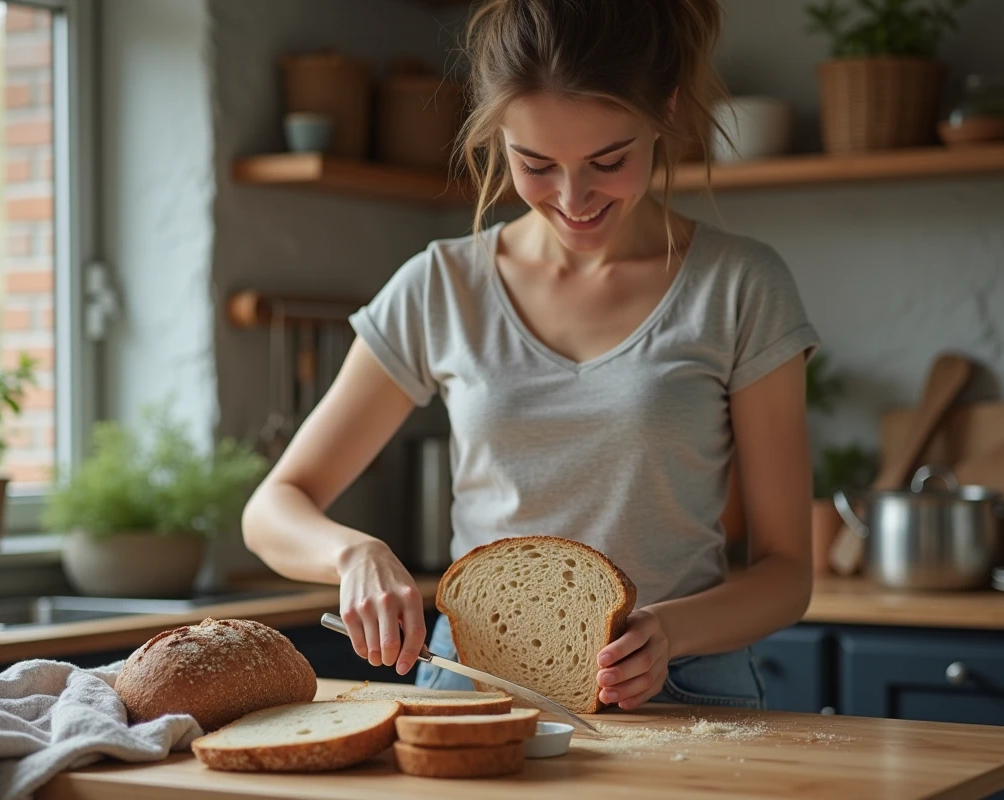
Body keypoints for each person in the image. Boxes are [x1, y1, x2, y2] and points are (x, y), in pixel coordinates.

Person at [242, 0, 819, 712]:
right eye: (536, 164)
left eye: (609, 160)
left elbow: (788, 571)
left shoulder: (741, 286)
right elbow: (273, 506)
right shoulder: (441, 286)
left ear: (665, 112)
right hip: (472, 687)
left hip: (683, 684)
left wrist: (668, 632)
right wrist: (352, 554)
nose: (574, 199)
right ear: (496, 134)